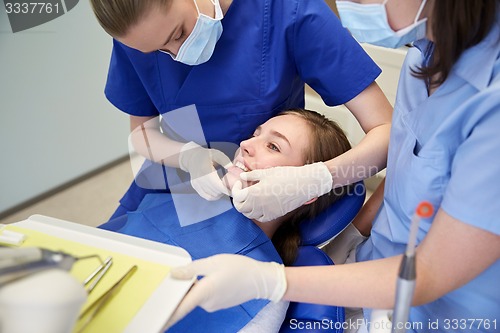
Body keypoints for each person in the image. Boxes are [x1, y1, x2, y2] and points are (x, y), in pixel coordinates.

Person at [165, 1, 500, 332]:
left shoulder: (491, 106)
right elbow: (409, 168)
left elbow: (430, 274)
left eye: (273, 145)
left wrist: (271, 282)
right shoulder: (422, 60)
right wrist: (355, 233)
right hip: (370, 269)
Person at [89, 0, 392, 224]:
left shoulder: (289, 11)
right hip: (171, 187)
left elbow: (388, 131)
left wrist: (316, 179)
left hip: (264, 206)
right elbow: (142, 132)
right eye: (156, 52)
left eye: (179, 34)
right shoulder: (140, 34)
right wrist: (188, 157)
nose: (176, 56)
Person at [101, 109, 353, 332]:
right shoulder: (181, 198)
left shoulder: (265, 287)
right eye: (256, 134)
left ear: (304, 189)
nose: (245, 144)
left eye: (273, 146)